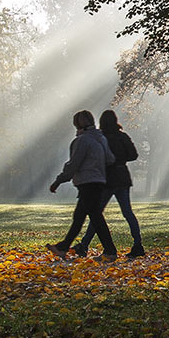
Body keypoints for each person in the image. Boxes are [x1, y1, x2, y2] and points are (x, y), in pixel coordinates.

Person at [47, 110, 117, 261]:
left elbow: (73, 165)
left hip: (87, 181)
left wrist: (58, 181)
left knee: (95, 218)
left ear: (78, 125)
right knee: (80, 217)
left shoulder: (82, 141)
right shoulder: (101, 139)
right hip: (98, 181)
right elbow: (110, 159)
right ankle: (63, 247)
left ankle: (110, 251)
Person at [78, 108, 145, 259]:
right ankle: (138, 244)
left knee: (97, 214)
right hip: (122, 176)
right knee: (127, 212)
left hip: (106, 178)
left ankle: (84, 245)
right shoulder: (123, 137)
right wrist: (121, 158)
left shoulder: (101, 138)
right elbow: (133, 155)